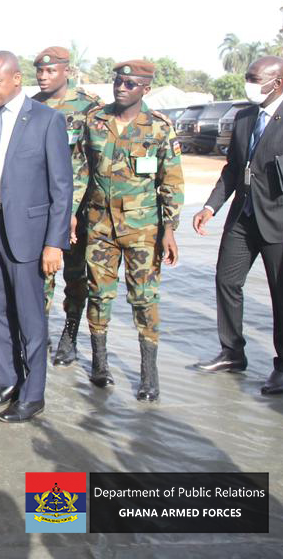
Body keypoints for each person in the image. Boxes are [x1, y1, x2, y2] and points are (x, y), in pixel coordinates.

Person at [192, 56, 283, 395]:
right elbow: (233, 169)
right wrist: (211, 206)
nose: (248, 84)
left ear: (276, 82)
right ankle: (233, 351)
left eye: (254, 78)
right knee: (226, 280)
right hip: (243, 217)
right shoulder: (244, 116)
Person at [0, 51, 72, 423]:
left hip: (28, 233)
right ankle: (7, 381)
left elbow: (62, 188)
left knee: (29, 317)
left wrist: (54, 242)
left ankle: (33, 394)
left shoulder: (47, 121)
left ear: (15, 80)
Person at [72, 60, 183, 401]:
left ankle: (149, 374)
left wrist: (169, 229)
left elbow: (171, 182)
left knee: (144, 299)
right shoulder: (95, 121)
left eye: (130, 84)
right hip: (99, 226)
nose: (122, 88)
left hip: (142, 230)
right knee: (98, 294)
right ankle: (100, 365)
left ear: (145, 89)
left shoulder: (160, 128)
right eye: (119, 81)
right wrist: (72, 214)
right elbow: (80, 171)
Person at [31, 47, 102, 366]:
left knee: (75, 276)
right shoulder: (32, 106)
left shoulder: (89, 107)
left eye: (50, 71)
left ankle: (69, 335)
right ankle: (37, 333)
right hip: (40, 206)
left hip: (78, 209)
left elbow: (90, 164)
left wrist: (71, 211)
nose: (44, 77)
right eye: (40, 72)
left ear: (67, 72)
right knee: (39, 274)